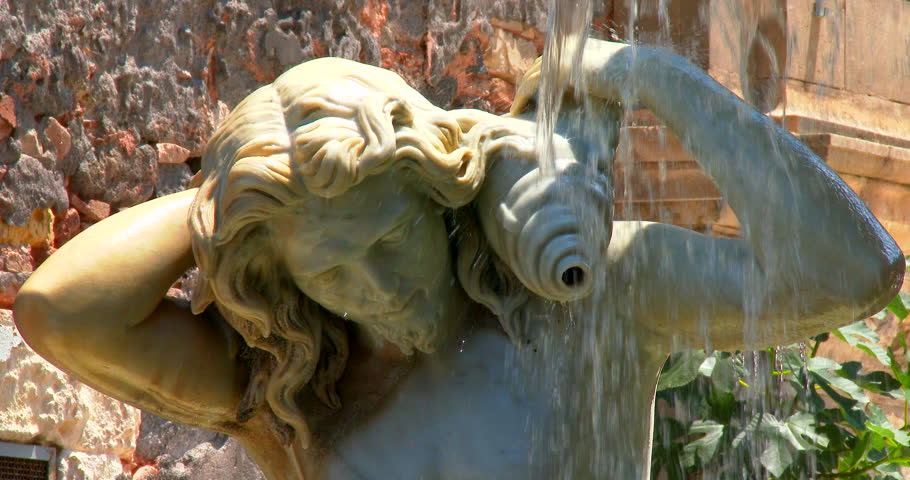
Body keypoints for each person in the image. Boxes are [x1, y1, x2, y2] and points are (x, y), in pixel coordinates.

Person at [12, 39, 904, 479]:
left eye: (387, 240)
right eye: (331, 273)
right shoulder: (291, 394)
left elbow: (848, 271)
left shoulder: (595, 301)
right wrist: (241, 192)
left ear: (444, 191)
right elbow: (58, 310)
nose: (375, 287)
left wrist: (648, 74)